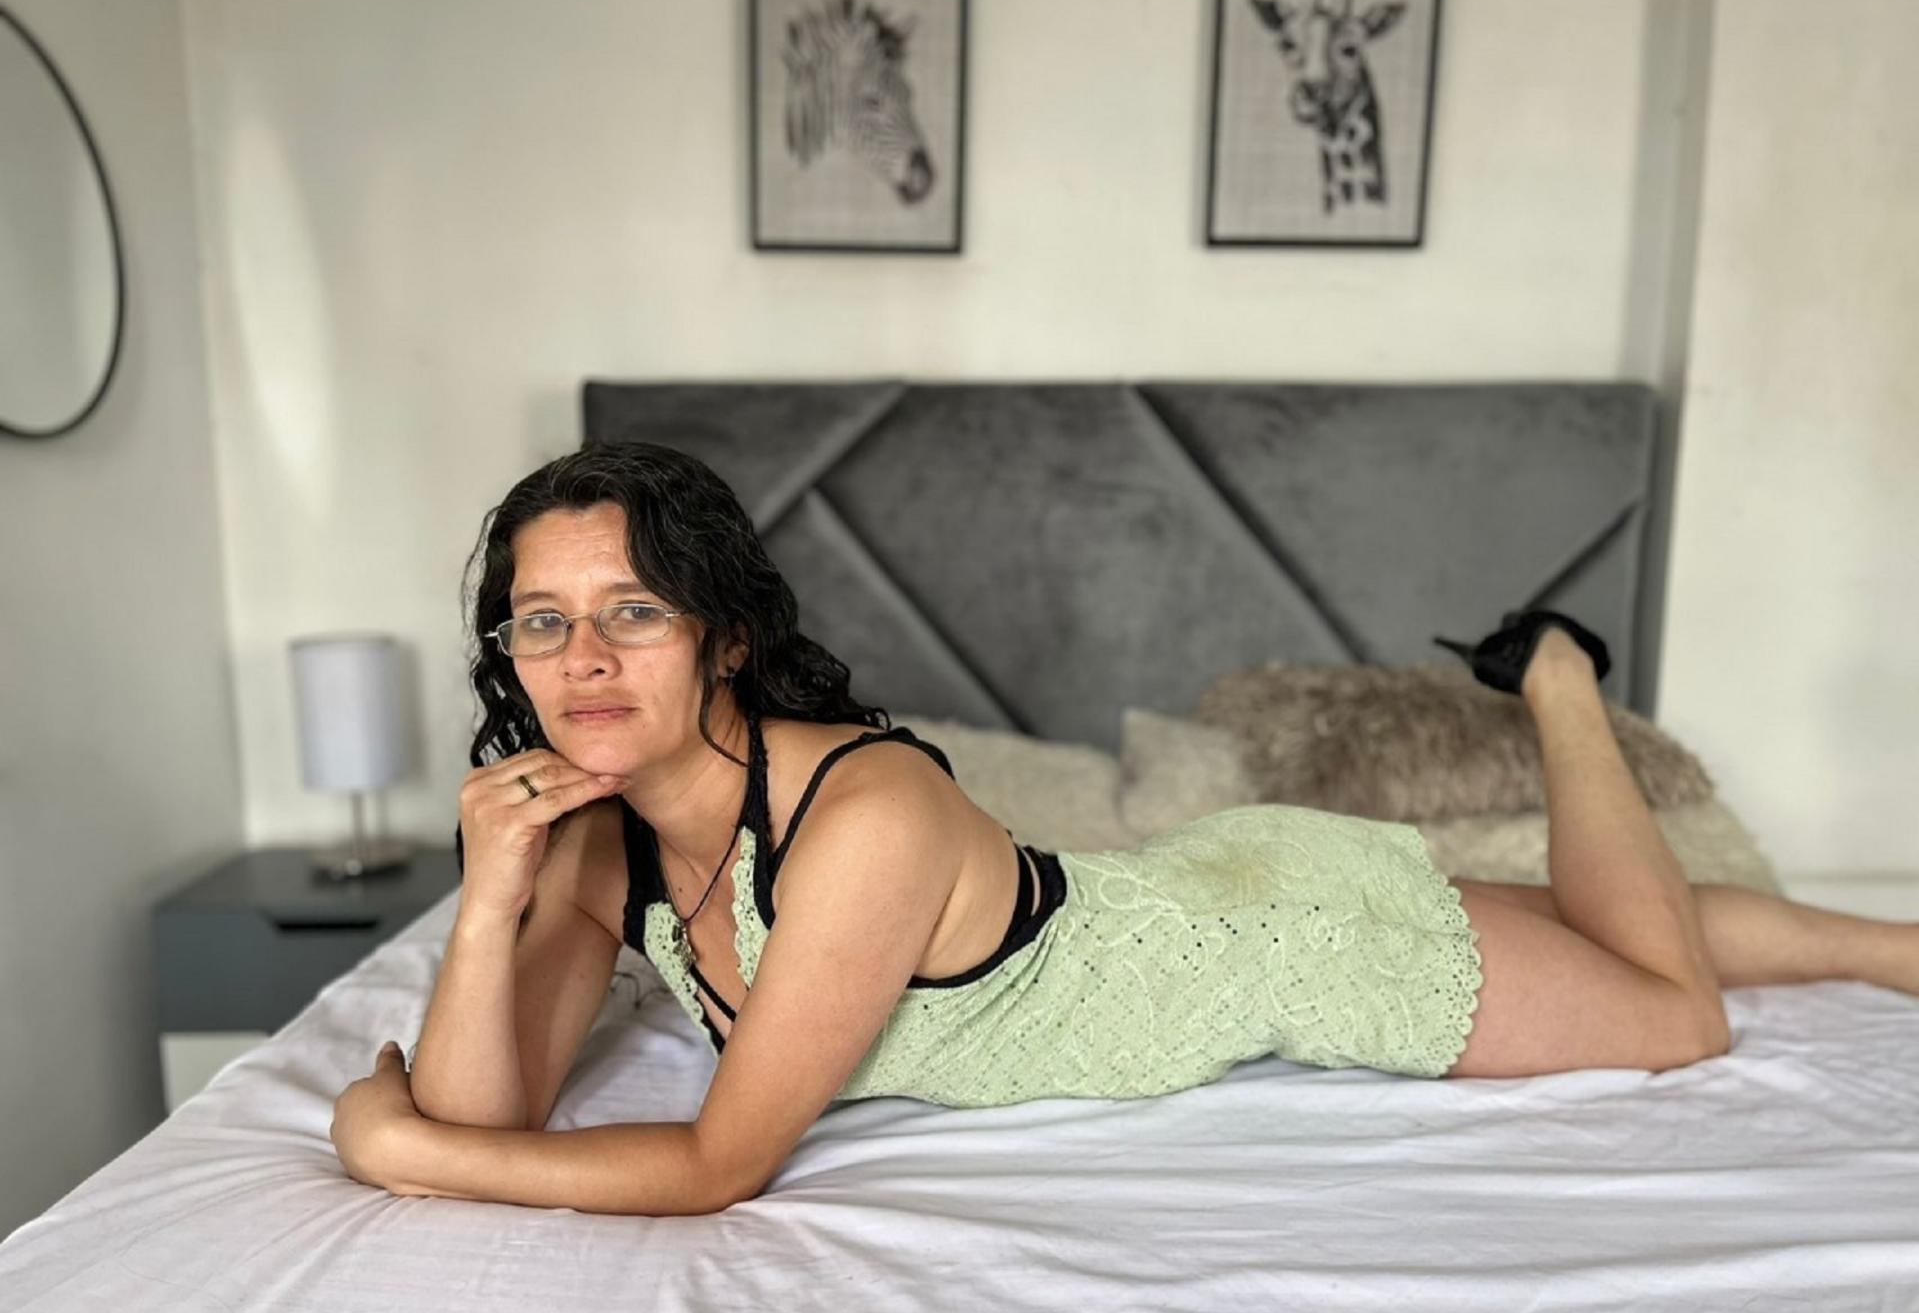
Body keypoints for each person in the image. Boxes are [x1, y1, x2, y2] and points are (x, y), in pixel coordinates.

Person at [328, 441, 1919, 1214]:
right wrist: (489, 904)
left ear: (725, 636)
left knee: (1676, 1017)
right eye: (543, 623)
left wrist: (391, 1148)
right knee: (1563, 929)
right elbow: (493, 1109)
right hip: (1177, 892)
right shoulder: (590, 833)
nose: (585, 661)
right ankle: (1889, 945)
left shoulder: (863, 814)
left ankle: (1557, 680)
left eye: (633, 612)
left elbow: (717, 1164)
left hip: (1277, 948)